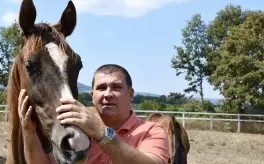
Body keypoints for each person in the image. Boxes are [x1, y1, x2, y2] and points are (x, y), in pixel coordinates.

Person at [18, 64, 169, 164]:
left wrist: (101, 132)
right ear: (92, 95)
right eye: (101, 88)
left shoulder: (151, 131)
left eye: (116, 87)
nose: (108, 94)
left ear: (131, 94)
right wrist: (29, 134)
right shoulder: (76, 129)